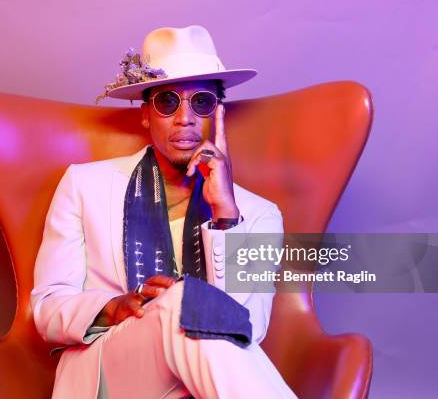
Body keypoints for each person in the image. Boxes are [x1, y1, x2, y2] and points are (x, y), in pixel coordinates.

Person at [30, 25, 296, 398]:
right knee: (184, 302)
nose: (184, 118)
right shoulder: (83, 186)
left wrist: (225, 215)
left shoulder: (256, 214)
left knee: (190, 307)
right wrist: (116, 307)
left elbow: (246, 328)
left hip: (199, 385)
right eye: (168, 102)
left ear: (219, 114)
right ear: (145, 115)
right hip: (111, 375)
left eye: (201, 102)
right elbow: (47, 307)